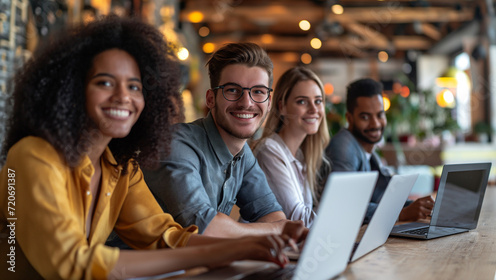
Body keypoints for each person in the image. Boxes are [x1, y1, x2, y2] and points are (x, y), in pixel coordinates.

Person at [0, 16, 303, 280]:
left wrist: (243, 247)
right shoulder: (32, 156)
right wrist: (218, 252)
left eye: (134, 86)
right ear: (71, 89)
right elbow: (70, 264)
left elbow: (165, 237)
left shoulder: (120, 169)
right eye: (105, 83)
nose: (124, 97)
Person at [144, 42, 306, 238]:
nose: (246, 102)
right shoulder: (175, 144)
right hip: (132, 265)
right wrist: (276, 230)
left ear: (269, 103)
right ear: (211, 99)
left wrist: (277, 228)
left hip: (193, 265)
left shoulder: (242, 154)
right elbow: (205, 229)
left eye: (258, 92)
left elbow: (271, 214)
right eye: (232, 90)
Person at [324, 78, 434, 224]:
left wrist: (419, 206)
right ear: (349, 118)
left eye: (379, 114)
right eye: (365, 117)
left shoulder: (368, 151)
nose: (375, 123)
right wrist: (401, 213)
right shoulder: (343, 148)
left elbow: (384, 198)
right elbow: (345, 205)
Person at [252, 66, 330, 228]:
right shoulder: (269, 150)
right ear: (282, 107)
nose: (314, 109)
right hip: (263, 250)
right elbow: (299, 220)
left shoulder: (302, 155)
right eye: (302, 101)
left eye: (318, 101)